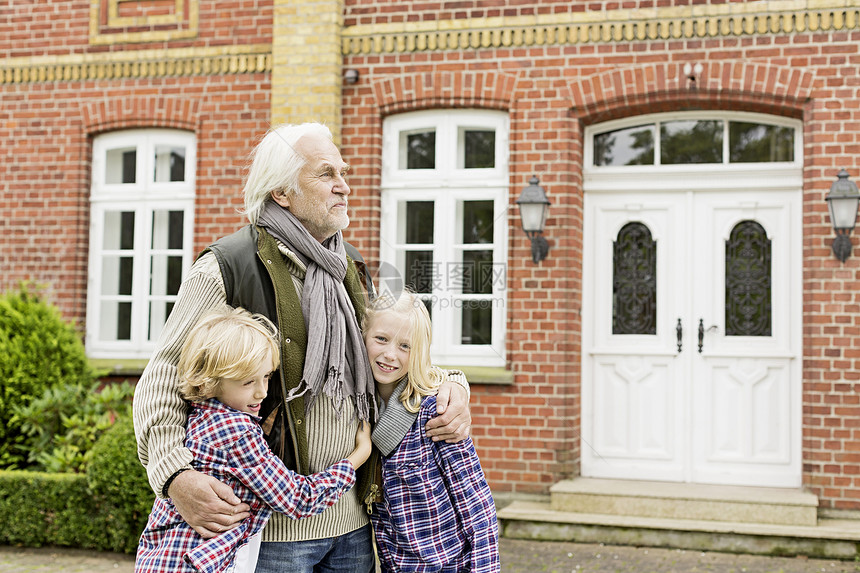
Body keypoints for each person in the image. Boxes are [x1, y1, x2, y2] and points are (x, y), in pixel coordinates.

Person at [133, 122, 472, 573]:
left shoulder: (349, 266)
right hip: (271, 535)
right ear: (282, 193)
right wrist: (174, 475)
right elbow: (161, 381)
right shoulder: (228, 267)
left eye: (343, 172)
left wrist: (454, 383)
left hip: (352, 526)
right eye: (326, 174)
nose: (344, 186)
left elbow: (394, 351)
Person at [136, 308, 372, 573]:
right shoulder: (236, 432)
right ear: (209, 381)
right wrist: (359, 456)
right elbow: (298, 498)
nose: (262, 392)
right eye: (248, 382)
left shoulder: (202, 414)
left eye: (267, 376)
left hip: (164, 557)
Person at [363, 290, 500, 573]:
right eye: (381, 339)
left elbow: (477, 506)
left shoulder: (436, 412)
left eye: (405, 346)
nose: (390, 354)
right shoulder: (359, 412)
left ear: (421, 352)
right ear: (363, 335)